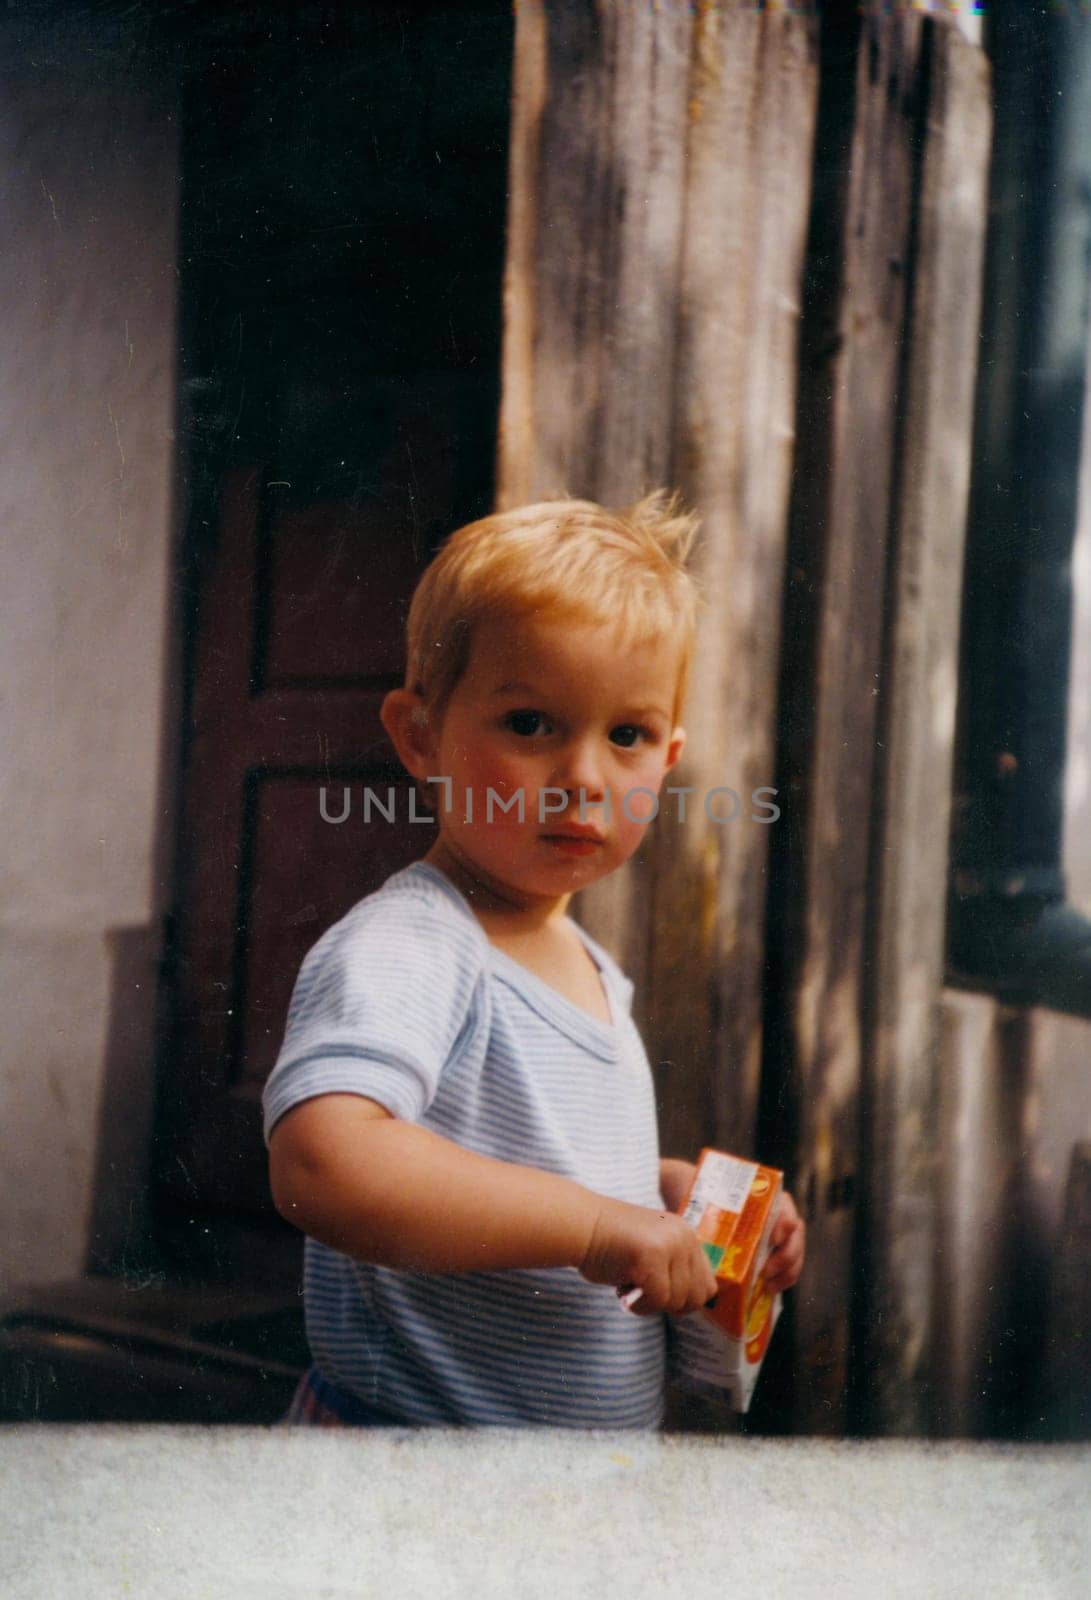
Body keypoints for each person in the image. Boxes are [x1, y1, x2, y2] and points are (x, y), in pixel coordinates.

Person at [263, 491, 805, 1427]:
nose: (585, 777)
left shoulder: (584, 961)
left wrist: (673, 1199)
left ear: (666, 759)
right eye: (530, 725)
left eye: (626, 735)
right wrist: (598, 1228)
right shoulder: (416, 944)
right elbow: (322, 1162)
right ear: (420, 738)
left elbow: (531, 1161)